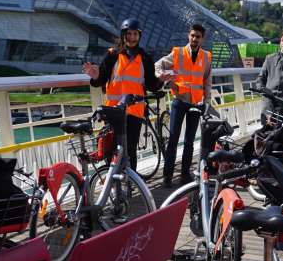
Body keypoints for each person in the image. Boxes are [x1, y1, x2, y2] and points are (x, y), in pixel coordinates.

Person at [83, 18, 164, 170]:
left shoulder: (145, 58)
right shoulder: (113, 55)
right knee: (112, 148)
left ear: (139, 36)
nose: (132, 38)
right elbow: (101, 79)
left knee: (130, 150)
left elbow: (152, 84)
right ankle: (113, 184)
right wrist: (94, 76)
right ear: (123, 35)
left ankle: (130, 185)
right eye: (129, 34)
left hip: (135, 110)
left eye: (135, 34)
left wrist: (161, 80)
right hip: (113, 110)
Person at [155, 23, 213, 187]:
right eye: (192, 35)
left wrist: (207, 102)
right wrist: (165, 78)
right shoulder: (177, 53)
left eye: (198, 37)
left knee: (189, 141)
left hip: (196, 103)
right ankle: (167, 176)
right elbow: (157, 66)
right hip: (179, 101)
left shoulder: (206, 57)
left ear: (203, 39)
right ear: (189, 36)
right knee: (173, 140)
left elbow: (207, 81)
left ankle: (185, 175)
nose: (194, 39)